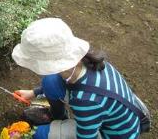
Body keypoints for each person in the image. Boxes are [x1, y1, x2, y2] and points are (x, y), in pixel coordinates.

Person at [12, 18, 144, 139]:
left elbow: (86, 137)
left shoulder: (86, 100)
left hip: (112, 134)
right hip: (107, 117)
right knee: (50, 81)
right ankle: (58, 118)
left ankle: (56, 124)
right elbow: (57, 80)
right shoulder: (86, 64)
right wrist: (34, 93)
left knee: (39, 134)